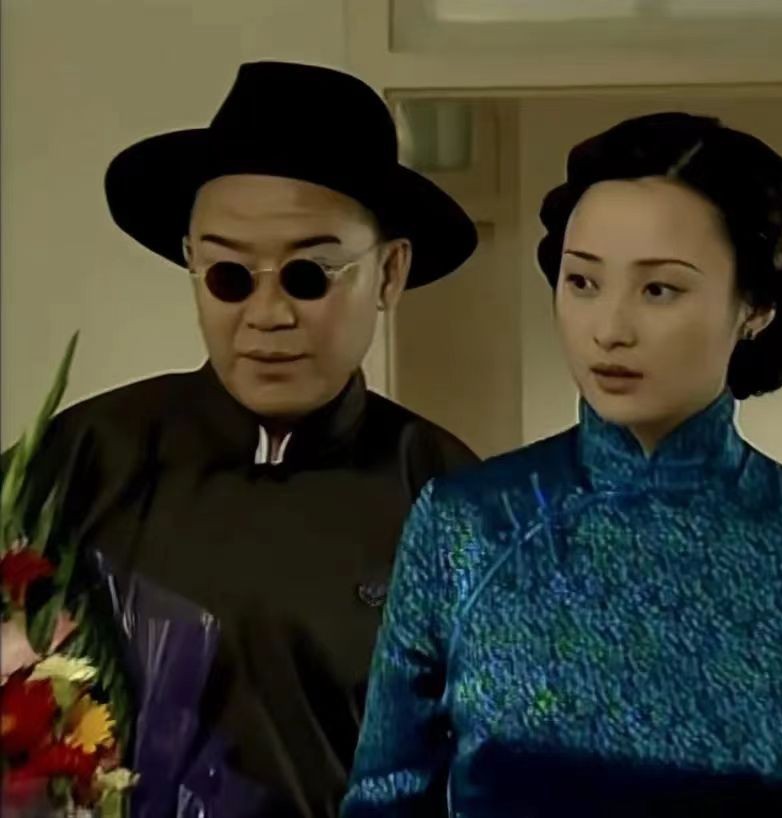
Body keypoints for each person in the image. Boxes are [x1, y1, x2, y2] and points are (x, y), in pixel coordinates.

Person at [343, 113, 782, 817]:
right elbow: (386, 795)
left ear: (756, 306)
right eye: (583, 282)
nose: (609, 329)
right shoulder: (464, 524)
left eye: (658, 289)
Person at [3, 61, 480, 815]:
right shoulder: (83, 459)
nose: (266, 315)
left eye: (309, 275)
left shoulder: (449, 497)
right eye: (229, 274)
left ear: (390, 272)